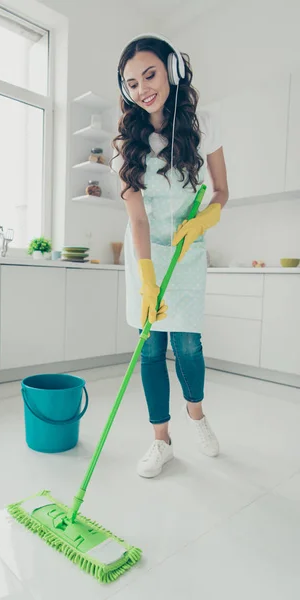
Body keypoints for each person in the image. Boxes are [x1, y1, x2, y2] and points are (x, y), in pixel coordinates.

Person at [112, 34, 229, 478]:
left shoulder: (205, 126)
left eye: (150, 74)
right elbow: (138, 221)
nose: (143, 88)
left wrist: (204, 222)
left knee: (187, 343)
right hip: (146, 257)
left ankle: (196, 416)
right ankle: (161, 441)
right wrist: (146, 278)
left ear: (171, 71)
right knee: (150, 348)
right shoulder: (126, 146)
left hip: (187, 251)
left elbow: (221, 191)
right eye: (132, 83)